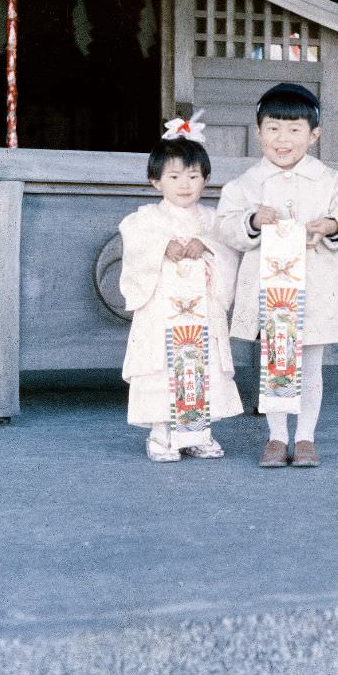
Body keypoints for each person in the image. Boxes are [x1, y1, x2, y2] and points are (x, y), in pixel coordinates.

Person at [217, 83, 338, 468]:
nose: (283, 139)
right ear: (259, 131)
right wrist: (251, 220)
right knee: (275, 360)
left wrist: (332, 223)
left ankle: (306, 436)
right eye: (274, 129)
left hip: (313, 287)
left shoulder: (329, 181)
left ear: (313, 135)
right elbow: (226, 226)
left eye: (295, 129)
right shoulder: (245, 184)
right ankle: (277, 436)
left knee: (311, 363)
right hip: (269, 290)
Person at [119, 118, 243, 463]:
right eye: (174, 177)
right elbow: (137, 246)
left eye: (193, 176)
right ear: (155, 180)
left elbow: (227, 247)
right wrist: (163, 247)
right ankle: (162, 435)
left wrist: (205, 245)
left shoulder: (213, 220)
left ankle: (198, 434)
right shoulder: (144, 220)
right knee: (162, 366)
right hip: (162, 311)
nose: (184, 185)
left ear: (205, 178)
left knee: (201, 362)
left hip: (202, 310)